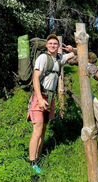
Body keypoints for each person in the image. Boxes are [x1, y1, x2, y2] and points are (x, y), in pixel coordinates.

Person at [28, 34, 76, 175]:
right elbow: (35, 78)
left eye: (55, 44)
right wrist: (40, 98)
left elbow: (75, 53)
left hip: (50, 97)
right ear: (47, 45)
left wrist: (71, 48)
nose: (53, 45)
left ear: (58, 46)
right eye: (51, 44)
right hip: (40, 96)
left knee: (43, 129)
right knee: (37, 129)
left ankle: (38, 156)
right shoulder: (43, 58)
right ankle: (32, 163)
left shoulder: (59, 58)